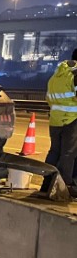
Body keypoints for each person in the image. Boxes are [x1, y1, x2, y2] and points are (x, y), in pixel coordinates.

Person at [45, 47, 77, 197]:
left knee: (54, 151)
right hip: (71, 119)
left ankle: (47, 183)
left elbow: (48, 98)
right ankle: (63, 188)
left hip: (55, 119)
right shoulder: (75, 75)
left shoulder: (57, 75)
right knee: (68, 154)